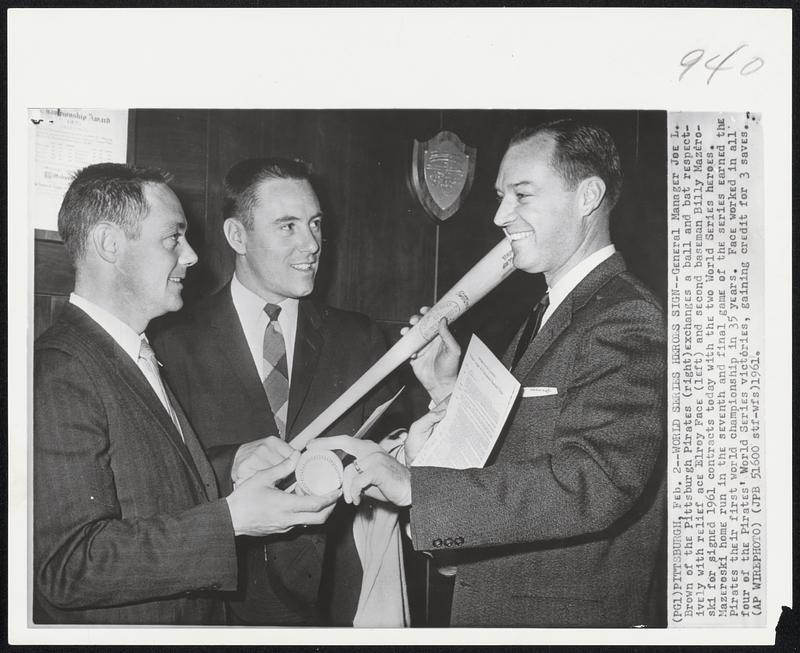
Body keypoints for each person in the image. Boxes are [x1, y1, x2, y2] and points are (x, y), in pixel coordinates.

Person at [312, 119, 668, 627]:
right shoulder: (546, 311)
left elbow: (598, 480)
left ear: (588, 196)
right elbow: (523, 446)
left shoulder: (624, 315)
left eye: (522, 196)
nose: (501, 215)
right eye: (502, 196)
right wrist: (447, 390)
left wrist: (417, 488)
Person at [33, 163, 340, 625]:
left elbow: (156, 487)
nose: (193, 255)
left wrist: (234, 470)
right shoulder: (61, 370)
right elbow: (68, 567)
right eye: (173, 238)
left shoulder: (132, 350)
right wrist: (230, 521)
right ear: (109, 244)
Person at [152, 158, 401, 626]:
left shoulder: (361, 338)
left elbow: (394, 451)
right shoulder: (169, 341)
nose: (311, 244)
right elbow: (158, 476)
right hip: (219, 605)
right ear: (237, 237)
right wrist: (232, 464)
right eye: (287, 226)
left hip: (333, 605)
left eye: (315, 224)